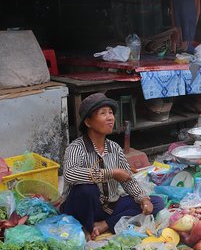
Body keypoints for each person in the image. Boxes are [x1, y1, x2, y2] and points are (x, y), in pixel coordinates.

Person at [60, 93, 164, 240]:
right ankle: (85, 227)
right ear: (88, 122)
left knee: (156, 202)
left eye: (110, 113)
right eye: (103, 113)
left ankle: (104, 224)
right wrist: (110, 173)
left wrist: (143, 199)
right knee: (86, 189)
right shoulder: (76, 147)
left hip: (108, 207)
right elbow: (70, 174)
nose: (110, 118)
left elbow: (128, 180)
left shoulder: (114, 148)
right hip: (83, 206)